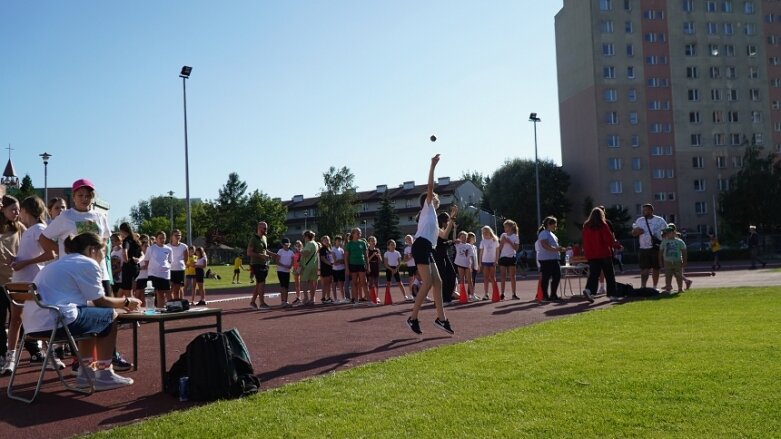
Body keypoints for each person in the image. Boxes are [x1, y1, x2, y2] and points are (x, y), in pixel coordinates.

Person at [21, 232, 142, 391]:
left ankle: (85, 374)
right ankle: (104, 374)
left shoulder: (56, 264)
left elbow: (90, 302)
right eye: (102, 252)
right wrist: (127, 301)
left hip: (33, 326)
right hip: (55, 323)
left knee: (90, 317)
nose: (102, 257)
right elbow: (101, 302)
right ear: (93, 250)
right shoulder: (87, 263)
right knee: (111, 315)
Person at [38, 178, 132, 371]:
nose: (84, 198)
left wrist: (98, 256)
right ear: (73, 197)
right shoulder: (65, 217)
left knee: (106, 311)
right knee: (85, 311)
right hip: (74, 272)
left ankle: (110, 355)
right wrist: (61, 253)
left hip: (99, 271)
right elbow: (43, 238)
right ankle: (81, 360)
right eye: (80, 195)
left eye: (88, 195)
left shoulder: (100, 217)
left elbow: (104, 241)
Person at [3, 196, 55, 375]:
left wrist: (24, 263)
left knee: (39, 317)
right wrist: (16, 260)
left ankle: (50, 356)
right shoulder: (30, 230)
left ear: (26, 211)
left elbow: (51, 253)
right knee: (16, 320)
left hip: (32, 281)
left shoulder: (38, 229)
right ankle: (11, 359)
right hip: (20, 280)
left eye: (21, 211)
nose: (19, 214)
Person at [406, 154, 453, 335]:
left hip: (427, 248)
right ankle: (413, 318)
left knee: (438, 282)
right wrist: (433, 165)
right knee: (427, 283)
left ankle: (441, 319)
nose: (434, 197)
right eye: (432, 196)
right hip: (420, 246)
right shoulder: (428, 208)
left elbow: (444, 234)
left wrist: (452, 219)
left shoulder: (433, 219)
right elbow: (430, 186)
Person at [582, 208, 621, 303]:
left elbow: (585, 241)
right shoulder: (603, 225)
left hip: (591, 254)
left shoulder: (586, 226)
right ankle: (612, 294)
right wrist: (617, 246)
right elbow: (609, 238)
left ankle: (589, 290)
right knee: (609, 274)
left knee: (594, 274)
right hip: (603, 253)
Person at [631, 203, 667, 289]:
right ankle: (643, 286)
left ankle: (654, 287)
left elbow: (666, 232)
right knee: (644, 268)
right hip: (643, 248)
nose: (644, 212)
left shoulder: (660, 220)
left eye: (646, 210)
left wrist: (659, 237)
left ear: (651, 210)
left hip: (655, 248)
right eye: (643, 210)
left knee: (656, 268)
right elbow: (633, 234)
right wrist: (636, 232)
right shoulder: (639, 220)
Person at [536, 216, 566, 302]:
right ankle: (545, 296)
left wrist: (561, 249)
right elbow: (545, 245)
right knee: (546, 278)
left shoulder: (552, 234)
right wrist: (556, 249)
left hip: (553, 259)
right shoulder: (544, 233)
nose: (555, 226)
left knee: (557, 276)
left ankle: (553, 295)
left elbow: (553, 246)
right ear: (549, 224)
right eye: (554, 224)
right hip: (546, 259)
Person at [248, 221, 272, 309]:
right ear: (259, 228)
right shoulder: (253, 239)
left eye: (266, 228)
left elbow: (265, 250)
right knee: (261, 283)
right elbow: (249, 252)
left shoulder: (264, 238)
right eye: (264, 228)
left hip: (264, 264)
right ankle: (262, 303)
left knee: (259, 283)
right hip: (256, 263)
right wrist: (260, 255)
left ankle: (252, 302)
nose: (266, 230)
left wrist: (273, 254)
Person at [435, 211, 458, 305]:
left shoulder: (442, 229)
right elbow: (442, 241)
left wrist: (451, 242)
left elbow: (444, 241)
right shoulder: (437, 229)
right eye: (447, 221)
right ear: (443, 222)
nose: (448, 223)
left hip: (445, 255)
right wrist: (451, 242)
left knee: (452, 275)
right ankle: (444, 299)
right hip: (439, 256)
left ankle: (447, 297)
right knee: (444, 277)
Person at [145, 231, 173, 306]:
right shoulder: (151, 248)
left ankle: (172, 308)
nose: (162, 240)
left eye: (164, 238)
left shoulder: (169, 249)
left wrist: (165, 268)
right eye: (160, 238)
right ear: (156, 239)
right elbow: (146, 261)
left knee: (167, 292)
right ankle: (159, 309)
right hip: (153, 274)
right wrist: (153, 268)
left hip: (165, 274)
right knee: (157, 293)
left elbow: (170, 261)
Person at [344, 228, 369, 305]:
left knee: (364, 282)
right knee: (354, 283)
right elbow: (346, 257)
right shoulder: (349, 244)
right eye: (357, 233)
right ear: (353, 234)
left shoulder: (363, 243)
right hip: (353, 265)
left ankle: (369, 300)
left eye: (360, 233)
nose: (359, 234)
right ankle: (356, 300)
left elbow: (366, 255)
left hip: (361, 264)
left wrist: (368, 266)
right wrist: (347, 268)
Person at [117, 223, 142, 299]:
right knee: (125, 291)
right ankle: (129, 307)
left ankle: (134, 307)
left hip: (128, 267)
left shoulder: (126, 241)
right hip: (136, 267)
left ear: (122, 231)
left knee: (128, 292)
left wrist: (126, 260)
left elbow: (125, 251)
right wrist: (138, 259)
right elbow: (142, 254)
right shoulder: (136, 241)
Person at [659, 227, 687, 293]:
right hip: (667, 261)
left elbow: (684, 251)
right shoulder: (664, 242)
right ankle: (668, 287)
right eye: (666, 234)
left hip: (677, 261)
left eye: (669, 233)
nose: (667, 235)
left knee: (679, 275)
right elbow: (660, 252)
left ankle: (680, 288)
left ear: (674, 233)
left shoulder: (679, 242)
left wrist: (684, 261)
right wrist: (660, 262)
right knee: (668, 275)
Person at [497, 219, 520, 300]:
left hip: (511, 258)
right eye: (504, 227)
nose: (504, 228)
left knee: (512, 276)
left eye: (506, 226)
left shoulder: (515, 236)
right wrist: (502, 242)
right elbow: (499, 248)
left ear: (510, 227)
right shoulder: (503, 235)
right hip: (503, 257)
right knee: (503, 276)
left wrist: (510, 242)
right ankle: (502, 293)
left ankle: (514, 294)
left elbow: (516, 248)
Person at [453, 231, 476, 301]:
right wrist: (455, 229)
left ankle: (472, 295)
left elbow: (472, 256)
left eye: (465, 237)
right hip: (460, 265)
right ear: (459, 238)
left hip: (467, 265)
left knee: (470, 281)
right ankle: (463, 295)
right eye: (462, 237)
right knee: (462, 280)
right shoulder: (458, 244)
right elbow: (454, 239)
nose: (463, 238)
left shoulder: (469, 246)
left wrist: (472, 265)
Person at [478, 226, 499, 300]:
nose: (484, 233)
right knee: (486, 278)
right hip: (485, 261)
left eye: (485, 232)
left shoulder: (495, 240)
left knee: (492, 277)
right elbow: (481, 253)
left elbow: (497, 251)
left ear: (489, 231)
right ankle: (486, 294)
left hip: (492, 261)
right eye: (483, 232)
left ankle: (495, 292)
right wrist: (480, 263)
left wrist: (496, 260)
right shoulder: (482, 242)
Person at [299, 230, 319, 306]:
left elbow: (306, 253)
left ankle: (306, 298)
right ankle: (312, 298)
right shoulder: (315, 243)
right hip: (314, 264)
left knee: (303, 281)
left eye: (304, 236)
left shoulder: (309, 243)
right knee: (312, 282)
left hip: (307, 265)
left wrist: (300, 251)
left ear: (307, 237)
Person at [168, 230, 188, 300]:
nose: (178, 237)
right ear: (171, 237)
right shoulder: (167, 246)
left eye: (179, 235)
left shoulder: (184, 246)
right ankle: (170, 303)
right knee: (169, 289)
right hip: (170, 270)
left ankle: (177, 303)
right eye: (176, 235)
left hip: (179, 270)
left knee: (177, 289)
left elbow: (186, 259)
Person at [276, 238, 295, 307]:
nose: (286, 246)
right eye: (284, 245)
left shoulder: (291, 252)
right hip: (281, 271)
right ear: (282, 245)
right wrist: (284, 266)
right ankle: (283, 301)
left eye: (287, 244)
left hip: (287, 271)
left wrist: (290, 266)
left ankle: (286, 301)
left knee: (286, 286)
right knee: (282, 285)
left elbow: (293, 260)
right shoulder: (280, 251)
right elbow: (277, 261)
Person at [132, 234, 150, 302]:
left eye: (148, 245)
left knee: (146, 296)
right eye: (145, 246)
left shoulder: (150, 253)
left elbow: (148, 266)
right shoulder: (138, 253)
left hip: (147, 277)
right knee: (137, 295)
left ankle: (144, 309)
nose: (147, 247)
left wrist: (140, 268)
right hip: (138, 277)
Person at [331, 236, 347, 303]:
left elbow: (344, 260)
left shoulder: (342, 250)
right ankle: (335, 299)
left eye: (340, 241)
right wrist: (340, 261)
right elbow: (335, 262)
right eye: (338, 241)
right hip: (335, 270)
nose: (339, 242)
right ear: (335, 241)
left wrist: (340, 261)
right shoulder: (333, 249)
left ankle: (343, 298)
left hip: (342, 269)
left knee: (341, 284)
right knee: (334, 284)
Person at [366, 235, 382, 303]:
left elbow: (381, 260)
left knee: (376, 283)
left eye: (374, 241)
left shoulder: (377, 250)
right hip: (370, 266)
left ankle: (377, 296)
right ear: (369, 242)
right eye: (372, 241)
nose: (373, 242)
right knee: (370, 283)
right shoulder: (367, 250)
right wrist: (372, 255)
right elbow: (367, 260)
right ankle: (371, 296)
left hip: (376, 266)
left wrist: (378, 257)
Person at [319, 235, 334, 304]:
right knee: (325, 283)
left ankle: (328, 297)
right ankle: (323, 297)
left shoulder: (329, 249)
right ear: (322, 242)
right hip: (325, 268)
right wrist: (330, 264)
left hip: (330, 268)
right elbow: (323, 258)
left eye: (327, 240)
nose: (326, 241)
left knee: (329, 283)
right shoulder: (322, 249)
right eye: (325, 240)